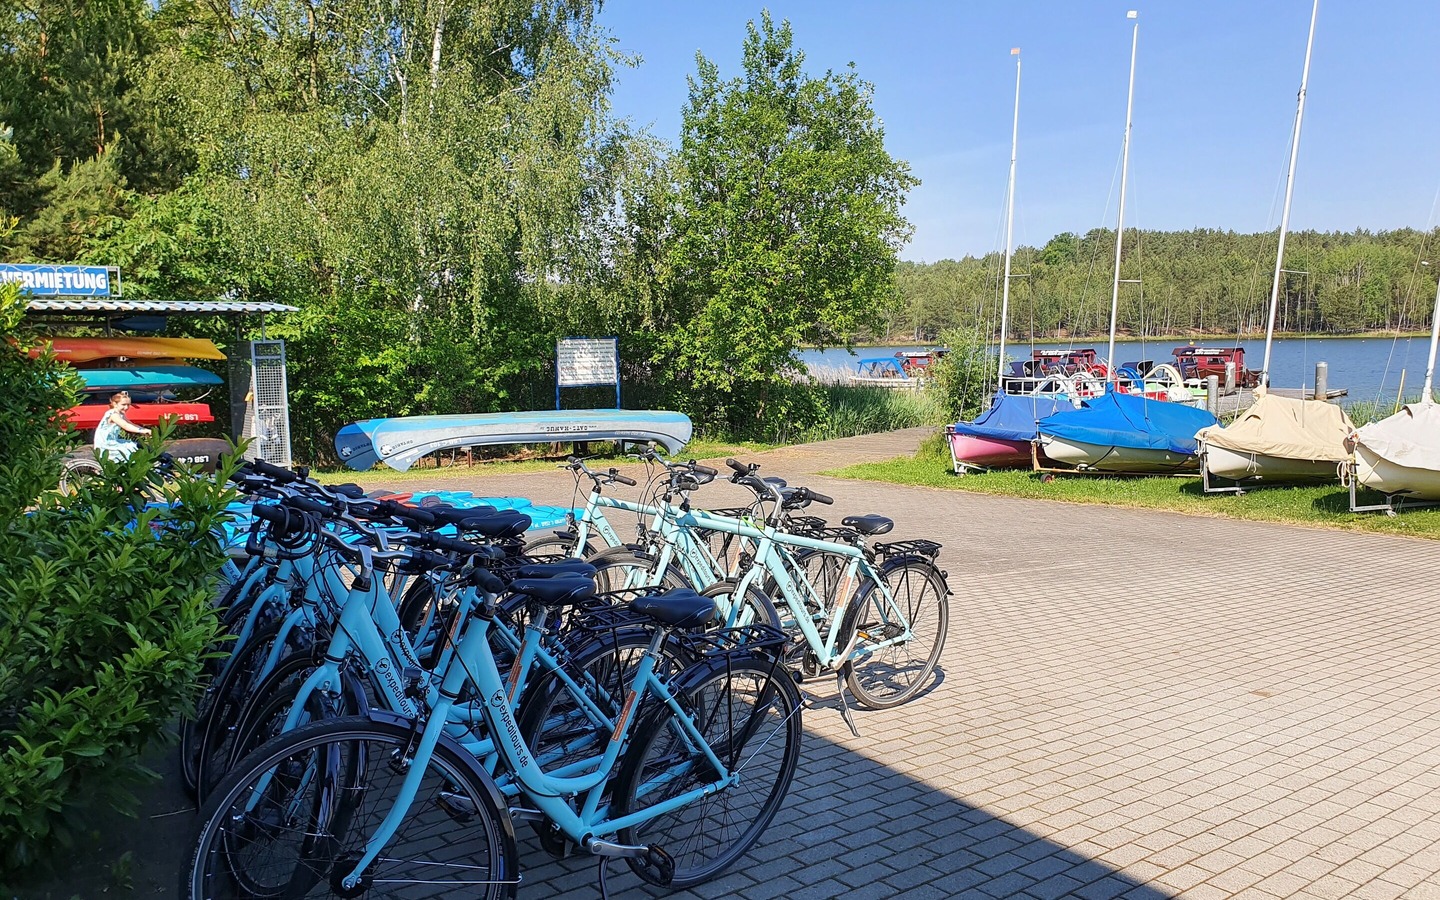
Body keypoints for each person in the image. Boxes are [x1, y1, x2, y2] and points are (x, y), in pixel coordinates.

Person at [93, 391, 152, 460]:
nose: (126, 407)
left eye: (128, 405)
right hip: (106, 444)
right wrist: (143, 431)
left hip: (113, 441)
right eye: (123, 404)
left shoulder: (121, 414)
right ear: (115, 404)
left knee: (134, 445)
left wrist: (145, 430)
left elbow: (131, 424)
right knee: (128, 450)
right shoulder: (113, 414)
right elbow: (125, 426)